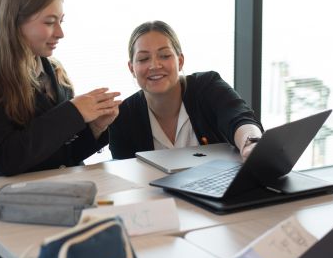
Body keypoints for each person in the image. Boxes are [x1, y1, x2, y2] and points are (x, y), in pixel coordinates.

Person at [0, 0, 120, 179]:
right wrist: (74, 112)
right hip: (11, 199)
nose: (60, 33)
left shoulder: (57, 74)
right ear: (15, 22)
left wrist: (95, 128)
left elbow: (64, 157)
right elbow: (8, 159)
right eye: (50, 22)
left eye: (61, 21)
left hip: (63, 189)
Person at [109, 20, 263, 160]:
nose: (155, 65)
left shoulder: (207, 86)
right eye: (143, 59)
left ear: (180, 61)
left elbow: (239, 118)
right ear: (131, 68)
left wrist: (251, 144)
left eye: (164, 55)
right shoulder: (124, 116)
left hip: (222, 189)